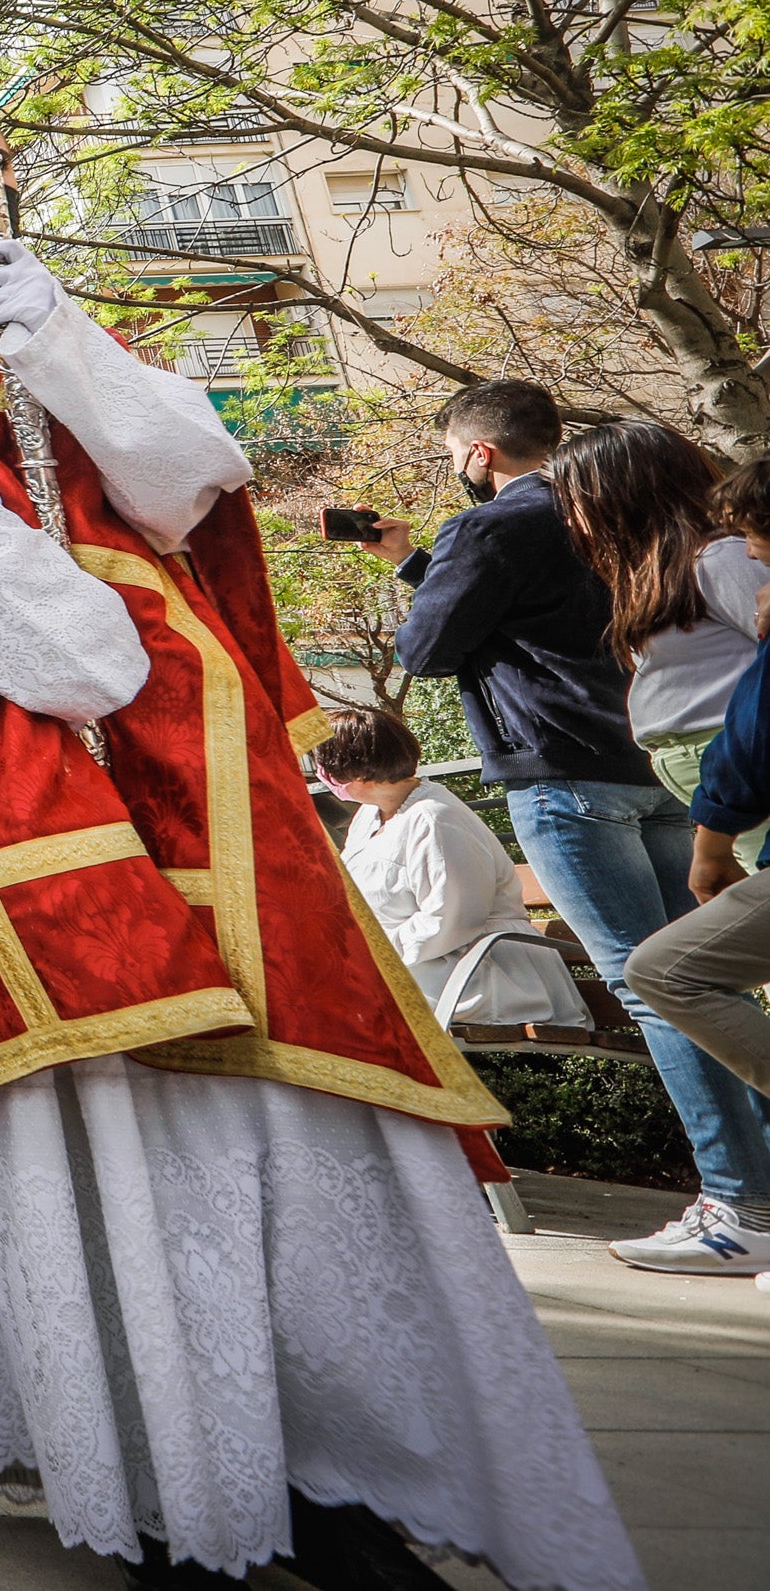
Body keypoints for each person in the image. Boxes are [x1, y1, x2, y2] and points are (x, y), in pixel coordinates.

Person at [0, 104, 636, 1590]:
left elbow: (189, 477)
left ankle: (317, 1444)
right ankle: (154, 1455)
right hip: (5, 734)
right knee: (99, 1094)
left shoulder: (64, 315)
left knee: (280, 1086)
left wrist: (68, 350)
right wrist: (83, 644)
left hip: (182, 740)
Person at [365, 378, 770, 1274]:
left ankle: (738, 1203)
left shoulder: (494, 523)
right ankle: (754, 1192)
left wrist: (426, 574)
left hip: (562, 774)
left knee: (650, 980)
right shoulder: (635, 518)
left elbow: (427, 650)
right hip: (667, 773)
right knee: (706, 976)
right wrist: (412, 560)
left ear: (479, 452)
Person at [621, 465, 770, 1122]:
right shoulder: (684, 565)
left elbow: (756, 725)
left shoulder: (719, 559)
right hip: (730, 806)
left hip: (741, 809)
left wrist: (712, 839)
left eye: (758, 536)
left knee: (664, 969)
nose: (754, 552)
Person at [552, 425, 770, 853]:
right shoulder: (668, 570)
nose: (570, 516)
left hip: (740, 773)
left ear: (621, 493)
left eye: (574, 498)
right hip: (719, 778)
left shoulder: (720, 558)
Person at [314, 708, 549, 1019]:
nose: (320, 774)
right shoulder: (368, 815)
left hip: (470, 970)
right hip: (414, 966)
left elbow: (449, 920)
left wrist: (370, 952)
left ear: (357, 771)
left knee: (334, 1009)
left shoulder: (436, 818)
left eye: (323, 766)